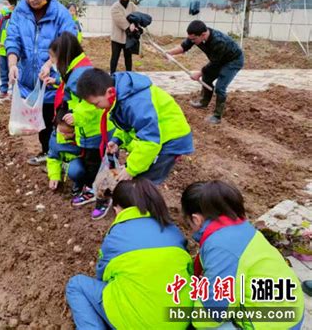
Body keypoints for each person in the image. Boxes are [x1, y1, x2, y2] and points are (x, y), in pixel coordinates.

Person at [66, 179, 192, 329]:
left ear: (119, 208)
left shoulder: (117, 235)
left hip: (137, 323)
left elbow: (103, 276)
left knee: (76, 284)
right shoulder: (174, 233)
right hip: (179, 322)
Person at [181, 180, 304, 329]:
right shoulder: (241, 228)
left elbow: (214, 311)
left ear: (196, 219)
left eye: (188, 223)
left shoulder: (220, 247)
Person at [5, 0, 78, 166]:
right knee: (40, 122)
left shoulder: (60, 14)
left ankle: (65, 156)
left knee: (58, 120)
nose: (31, 0)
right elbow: (12, 40)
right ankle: (47, 152)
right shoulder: (20, 12)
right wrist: (12, 64)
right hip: (30, 78)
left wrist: (50, 63)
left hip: (53, 79)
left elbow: (68, 43)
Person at [77, 68, 194, 185]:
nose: (97, 108)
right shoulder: (121, 92)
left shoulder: (135, 103)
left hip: (171, 139)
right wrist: (118, 139)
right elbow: (129, 124)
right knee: (139, 174)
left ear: (109, 92)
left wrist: (131, 169)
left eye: (96, 103)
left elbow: (150, 141)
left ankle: (144, 201)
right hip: (157, 136)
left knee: (145, 182)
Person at [45, 32, 115, 220]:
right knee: (93, 161)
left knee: (96, 162)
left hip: (92, 129)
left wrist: (77, 117)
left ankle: (98, 192)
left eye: (52, 57)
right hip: (88, 128)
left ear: (63, 55)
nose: (51, 61)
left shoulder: (78, 74)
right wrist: (58, 82)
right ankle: (93, 186)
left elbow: (90, 102)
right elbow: (74, 88)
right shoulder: (77, 69)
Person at [166, 20, 244, 124]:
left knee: (220, 87)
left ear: (203, 35)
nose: (192, 41)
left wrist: (199, 73)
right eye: (190, 39)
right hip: (219, 60)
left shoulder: (218, 41)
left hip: (233, 61)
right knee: (207, 77)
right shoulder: (195, 36)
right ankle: (203, 102)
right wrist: (169, 53)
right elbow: (184, 46)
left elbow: (215, 63)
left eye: (194, 39)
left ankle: (217, 116)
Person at [47, 107, 83, 193]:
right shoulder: (56, 137)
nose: (64, 136)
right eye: (61, 132)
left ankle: (82, 183)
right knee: (74, 169)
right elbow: (53, 157)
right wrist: (54, 176)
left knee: (76, 170)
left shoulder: (83, 137)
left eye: (68, 133)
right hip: (68, 162)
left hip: (81, 162)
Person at [109, 0, 138, 75]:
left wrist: (135, 23)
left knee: (128, 57)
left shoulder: (132, 6)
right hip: (117, 38)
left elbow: (137, 15)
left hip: (128, 38)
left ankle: (129, 74)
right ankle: (112, 74)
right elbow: (120, 20)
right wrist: (129, 25)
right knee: (115, 57)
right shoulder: (115, 7)